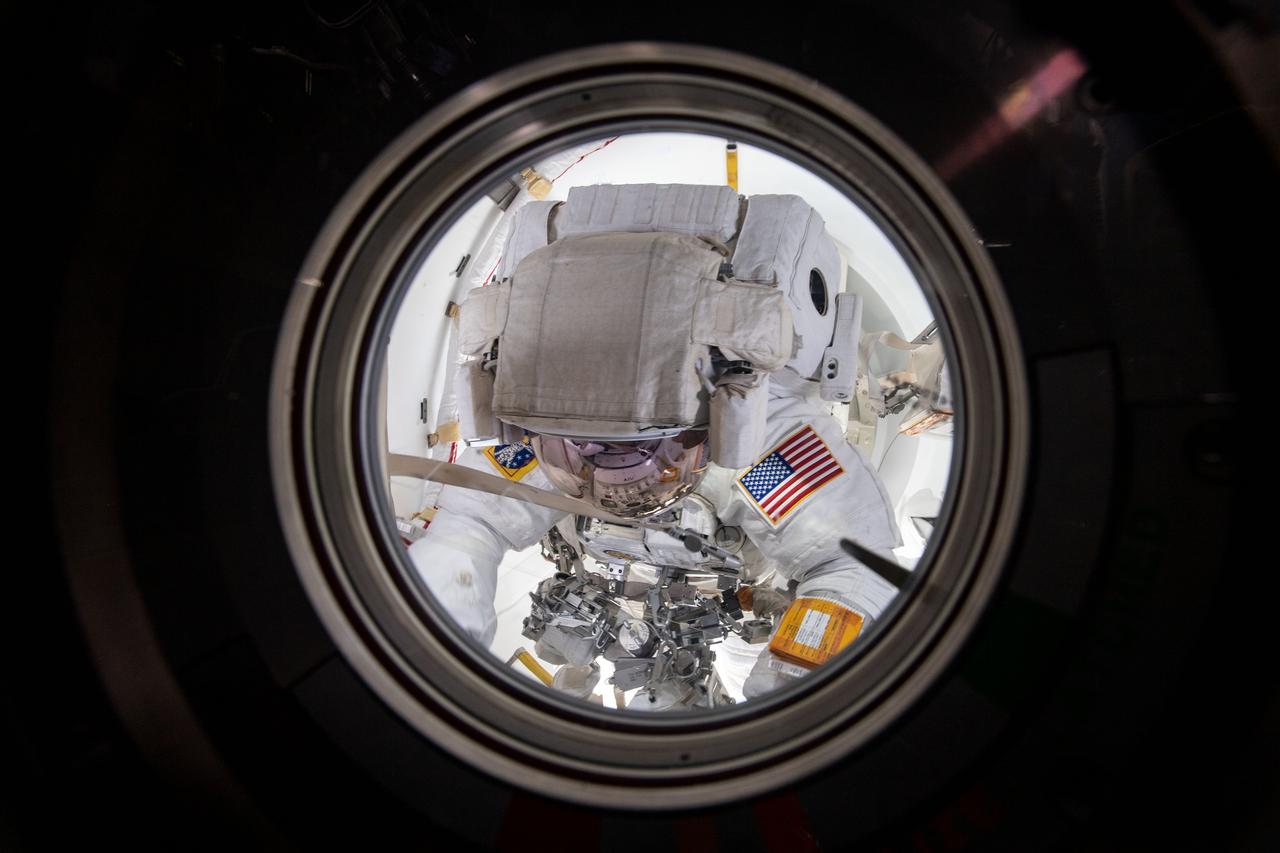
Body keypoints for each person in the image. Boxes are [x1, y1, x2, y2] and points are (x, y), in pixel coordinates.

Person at [408, 184, 901, 707]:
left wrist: (785, 692)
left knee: (720, 676)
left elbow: (850, 566)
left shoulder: (759, 441)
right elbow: (470, 525)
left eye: (639, 452)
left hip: (728, 601)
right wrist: (442, 633)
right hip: (613, 593)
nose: (609, 477)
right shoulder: (541, 420)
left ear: (709, 428)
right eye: (586, 449)